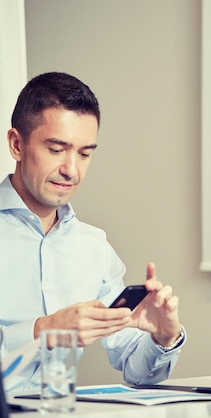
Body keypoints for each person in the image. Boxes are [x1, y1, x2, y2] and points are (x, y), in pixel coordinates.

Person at [0, 72, 186, 392]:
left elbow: (138, 370)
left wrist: (163, 337)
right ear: (17, 144)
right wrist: (42, 330)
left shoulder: (93, 247)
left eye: (85, 154)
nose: (71, 170)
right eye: (56, 149)